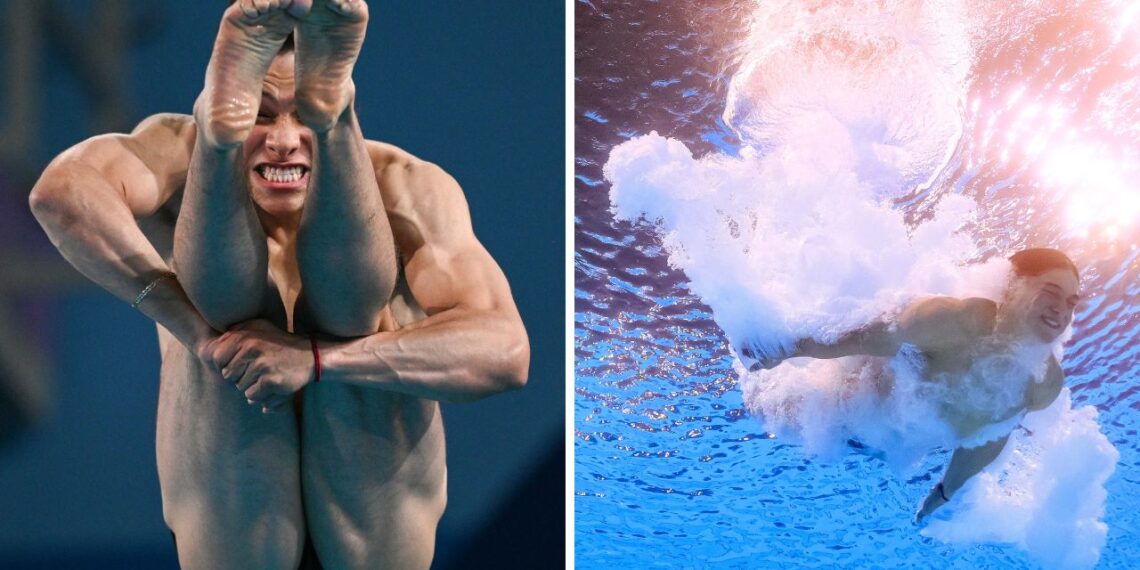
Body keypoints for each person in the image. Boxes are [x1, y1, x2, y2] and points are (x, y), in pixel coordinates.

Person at [28, 1, 529, 568]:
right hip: (235, 528)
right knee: (231, 328)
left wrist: (318, 361)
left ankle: (322, 121)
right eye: (260, 116)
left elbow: (506, 354)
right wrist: (197, 334)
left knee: (353, 319)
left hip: (375, 536)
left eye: (305, 117)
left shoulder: (406, 186)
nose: (285, 141)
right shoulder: (176, 151)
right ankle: (230, 147)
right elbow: (60, 195)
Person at [742, 248, 1080, 523]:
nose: (1061, 310)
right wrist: (785, 349)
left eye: (1071, 302)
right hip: (836, 407)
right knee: (759, 403)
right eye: (1051, 292)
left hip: (884, 443)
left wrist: (946, 490)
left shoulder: (1043, 384)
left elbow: (991, 433)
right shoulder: (954, 322)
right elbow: (862, 337)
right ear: (1010, 287)